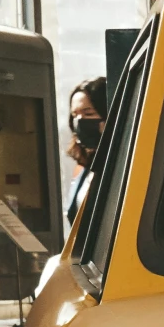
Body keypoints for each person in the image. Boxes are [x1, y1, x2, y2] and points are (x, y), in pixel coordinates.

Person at [65, 77, 107, 225]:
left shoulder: (120, 164)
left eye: (88, 114)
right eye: (75, 115)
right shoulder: (84, 168)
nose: (80, 121)